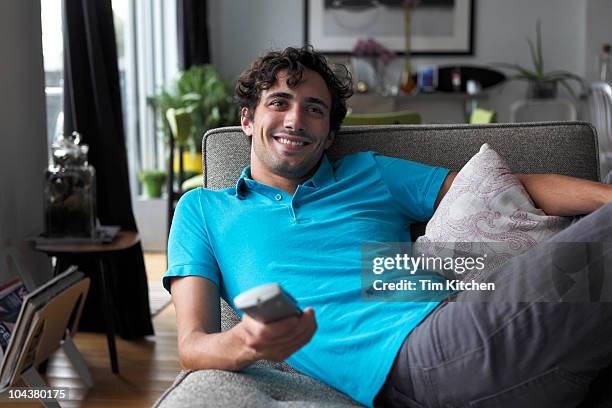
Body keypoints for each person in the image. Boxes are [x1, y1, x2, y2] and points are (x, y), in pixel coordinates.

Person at [164, 45, 612, 407]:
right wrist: (247, 342)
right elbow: (192, 345)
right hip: (416, 359)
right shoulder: (203, 210)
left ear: (330, 134)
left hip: (490, 337)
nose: (295, 120)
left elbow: (507, 187)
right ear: (248, 119)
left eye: (314, 109)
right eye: (279, 103)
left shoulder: (368, 172)